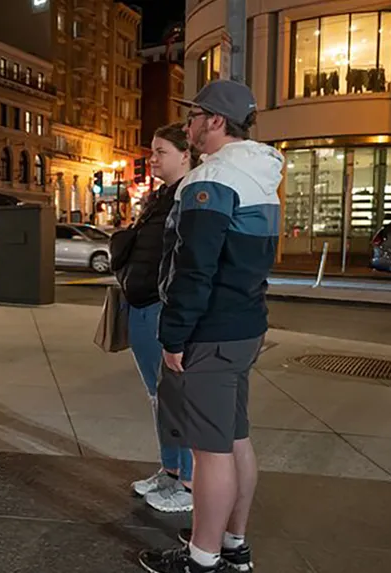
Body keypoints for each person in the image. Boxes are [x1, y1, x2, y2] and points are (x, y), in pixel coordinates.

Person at [139, 80, 283, 573]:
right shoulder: (260, 173)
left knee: (210, 451)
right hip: (244, 325)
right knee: (235, 438)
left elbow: (194, 266)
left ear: (215, 121)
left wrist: (174, 336)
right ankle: (233, 543)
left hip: (212, 331)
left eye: (194, 115)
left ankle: (202, 557)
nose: (188, 124)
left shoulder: (214, 178)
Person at [115, 123, 196, 514]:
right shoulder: (160, 196)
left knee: (174, 398)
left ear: (186, 154)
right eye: (152, 151)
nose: (152, 158)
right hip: (141, 303)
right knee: (158, 397)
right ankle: (170, 470)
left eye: (161, 151)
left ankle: (188, 482)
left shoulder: (190, 195)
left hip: (160, 307)